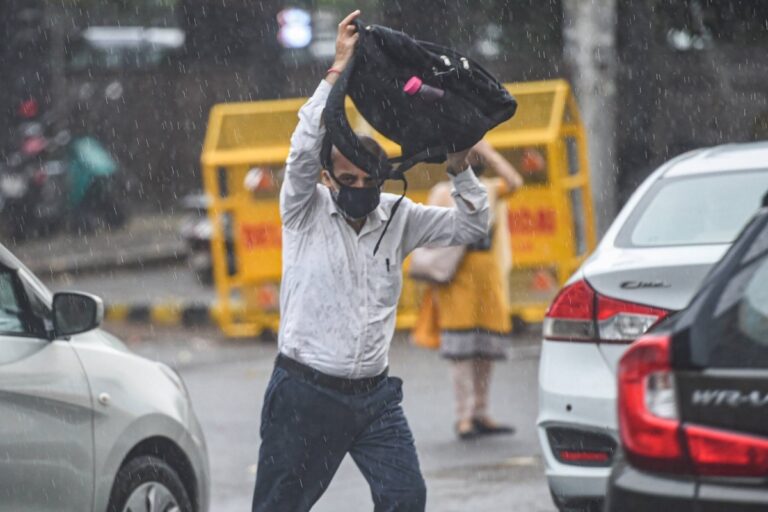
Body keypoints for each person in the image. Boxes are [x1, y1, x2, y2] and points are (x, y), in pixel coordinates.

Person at [251, 10, 490, 512]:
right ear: (327, 178)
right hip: (304, 393)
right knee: (278, 506)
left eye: (369, 181)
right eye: (348, 180)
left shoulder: (397, 217)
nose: (359, 190)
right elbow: (301, 151)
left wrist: (460, 169)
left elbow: (471, 226)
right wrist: (338, 67)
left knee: (406, 498)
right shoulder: (303, 210)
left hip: (374, 398)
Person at [418, 140, 523, 440]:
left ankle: (481, 411)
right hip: (456, 282)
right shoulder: (442, 191)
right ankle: (463, 417)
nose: (474, 157)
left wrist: (490, 150)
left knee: (485, 352)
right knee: (461, 355)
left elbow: (515, 181)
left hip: (488, 280)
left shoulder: (491, 188)